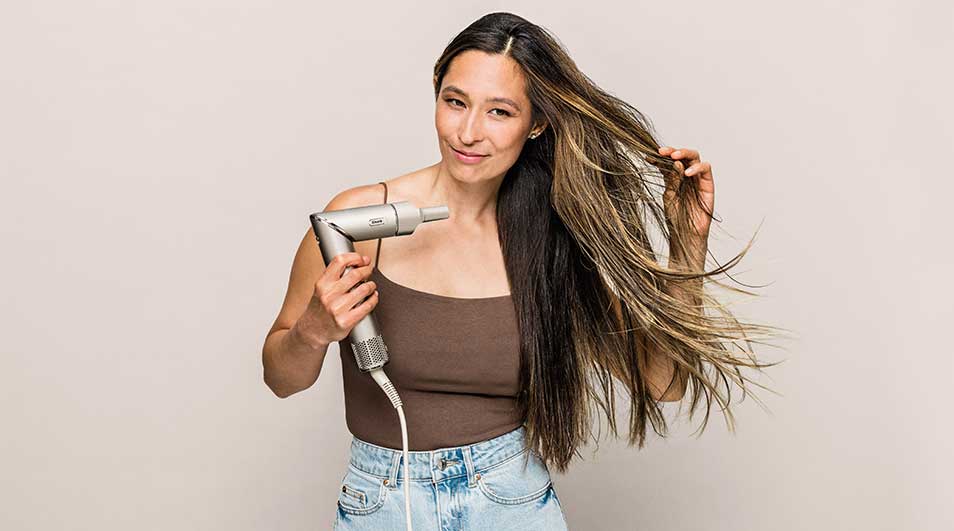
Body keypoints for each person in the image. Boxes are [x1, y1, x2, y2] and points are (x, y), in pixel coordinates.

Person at [262, 11, 785, 530]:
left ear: (536, 122)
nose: (468, 133)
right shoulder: (356, 222)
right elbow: (280, 378)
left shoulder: (552, 242)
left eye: (500, 112)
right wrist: (313, 329)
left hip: (509, 502)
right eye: (455, 102)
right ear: (436, 95)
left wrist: (686, 242)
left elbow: (663, 382)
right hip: (381, 501)